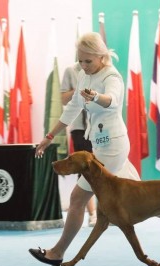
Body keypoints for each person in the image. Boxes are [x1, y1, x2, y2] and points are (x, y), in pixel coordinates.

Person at [29, 32, 160, 266]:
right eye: (80, 61)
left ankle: (56, 253)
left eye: (88, 61)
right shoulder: (84, 76)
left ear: (101, 57)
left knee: (77, 198)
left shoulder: (111, 75)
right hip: (100, 144)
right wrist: (48, 136)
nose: (84, 66)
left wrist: (96, 96)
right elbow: (72, 109)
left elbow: (113, 100)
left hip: (112, 146)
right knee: (139, 200)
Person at [61, 62, 97, 227]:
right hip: (79, 128)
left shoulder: (100, 71)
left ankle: (106, 210)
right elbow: (63, 98)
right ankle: (93, 213)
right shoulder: (71, 71)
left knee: (102, 169)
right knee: (84, 169)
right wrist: (79, 90)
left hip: (98, 125)